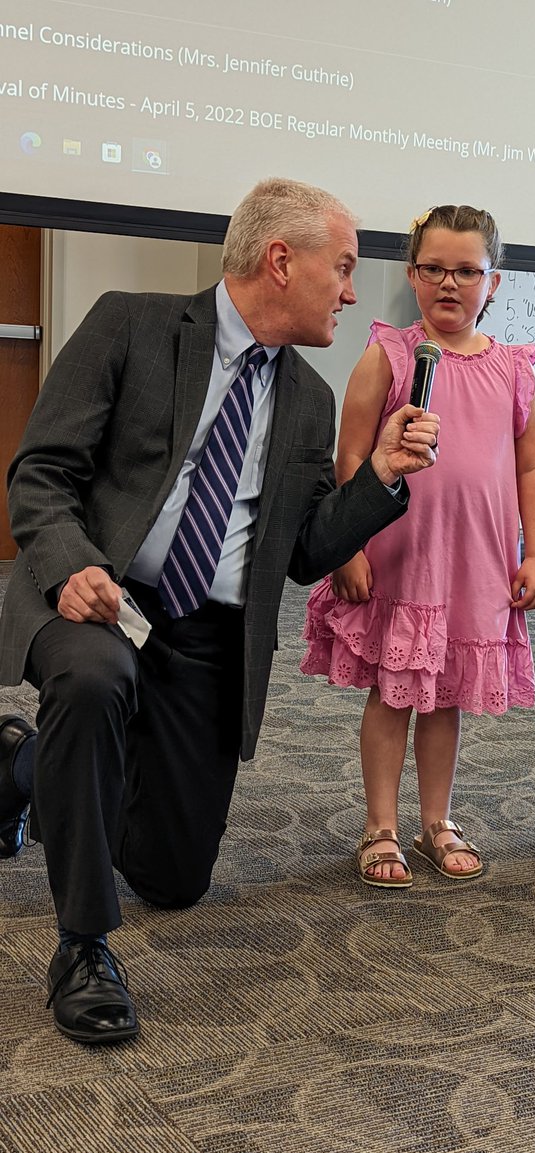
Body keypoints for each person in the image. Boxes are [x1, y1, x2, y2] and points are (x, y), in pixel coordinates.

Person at [0, 177, 440, 1043]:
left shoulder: (308, 400)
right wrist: (71, 569)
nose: (353, 293)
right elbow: (41, 474)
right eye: (344, 268)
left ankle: (20, 765)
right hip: (101, 602)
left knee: (173, 878)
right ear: (282, 260)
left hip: (211, 635)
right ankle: (83, 948)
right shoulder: (132, 323)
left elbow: (308, 551)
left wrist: (380, 475)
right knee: (92, 688)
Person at [301, 204, 535, 887]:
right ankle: (379, 825)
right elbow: (349, 455)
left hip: (474, 563)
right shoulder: (389, 355)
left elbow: (531, 467)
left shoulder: (514, 369)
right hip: (401, 557)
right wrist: (346, 547)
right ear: (412, 275)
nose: (450, 283)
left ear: (492, 282)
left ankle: (435, 820)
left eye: (467, 270)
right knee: (392, 693)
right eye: (434, 268)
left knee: (444, 699)